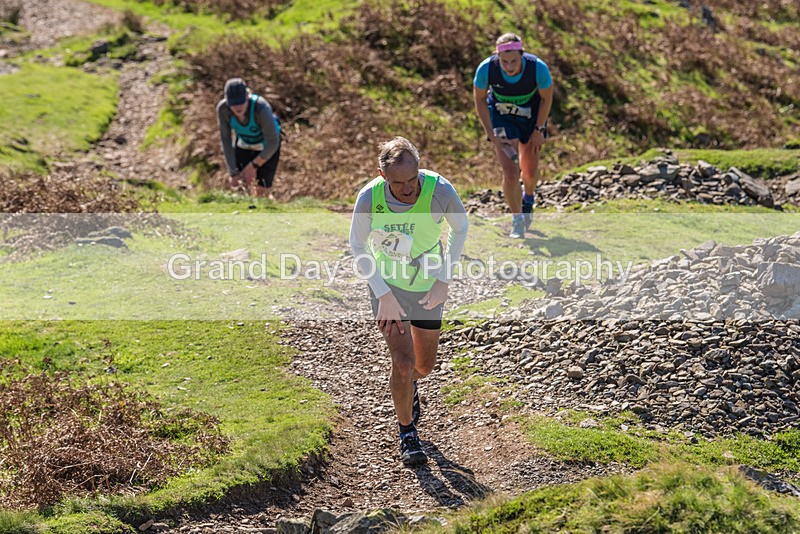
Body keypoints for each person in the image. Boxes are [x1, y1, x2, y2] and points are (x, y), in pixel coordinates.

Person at [349, 137, 469, 466]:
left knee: (423, 367)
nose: (407, 189)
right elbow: (357, 245)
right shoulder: (370, 197)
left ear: (419, 168)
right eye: (398, 183)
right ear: (382, 175)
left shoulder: (439, 191)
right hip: (388, 286)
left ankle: (408, 387)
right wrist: (383, 294)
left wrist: (444, 279)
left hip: (428, 285)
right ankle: (407, 432)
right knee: (403, 363)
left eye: (412, 179)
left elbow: (461, 228)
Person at [473, 33, 554, 238]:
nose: (509, 67)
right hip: (502, 119)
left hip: (531, 119)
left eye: (514, 61)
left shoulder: (538, 68)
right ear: (497, 57)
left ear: (522, 55)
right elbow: (479, 99)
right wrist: (490, 132)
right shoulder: (486, 69)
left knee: (529, 172)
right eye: (504, 62)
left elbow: (547, 98)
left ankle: (528, 199)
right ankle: (517, 219)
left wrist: (539, 129)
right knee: (510, 172)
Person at [216, 78, 281, 198]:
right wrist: (233, 172)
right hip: (244, 142)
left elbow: (273, 142)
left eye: (241, 102)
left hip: (268, 146)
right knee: (240, 186)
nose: (238, 107)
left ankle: (265, 205)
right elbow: (226, 140)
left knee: (262, 190)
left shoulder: (261, 108)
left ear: (247, 96)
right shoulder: (223, 109)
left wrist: (253, 166)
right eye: (233, 103)